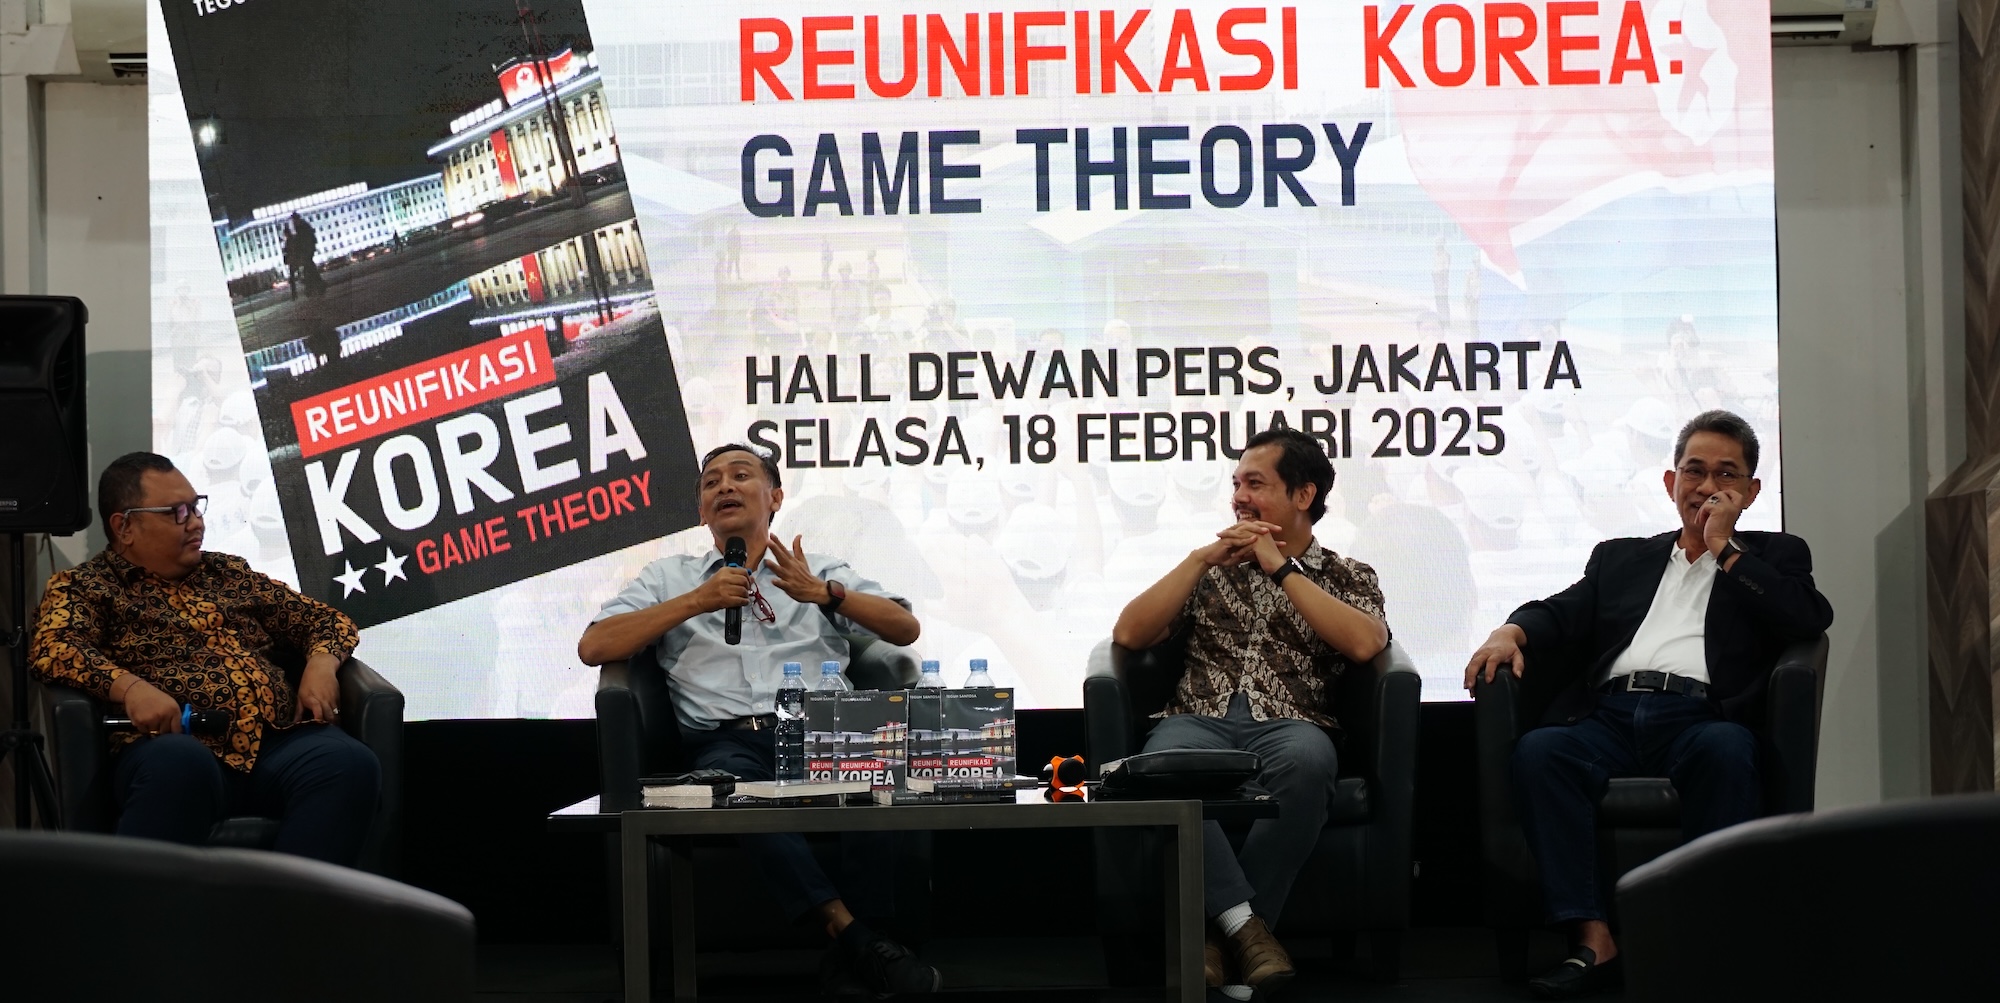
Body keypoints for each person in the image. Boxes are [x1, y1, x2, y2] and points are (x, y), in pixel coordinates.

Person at [1464, 410, 1833, 999]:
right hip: (1610, 715)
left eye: (1726, 474)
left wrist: (1725, 550)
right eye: (1694, 470)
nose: (1707, 486)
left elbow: (1809, 618)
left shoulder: (1776, 555)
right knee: (1542, 753)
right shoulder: (1621, 558)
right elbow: (1561, 611)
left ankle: (1701, 942)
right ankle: (1594, 940)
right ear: (1670, 481)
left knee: (1728, 752)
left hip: (1701, 717)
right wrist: (1509, 631)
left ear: (1751, 491)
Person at [577, 444, 936, 997]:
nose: (724, 486)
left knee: (872, 776)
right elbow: (595, 646)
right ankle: (860, 940)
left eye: (741, 475)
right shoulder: (669, 577)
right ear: (702, 511)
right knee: (738, 797)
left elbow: (904, 629)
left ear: (775, 498)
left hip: (821, 731)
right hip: (727, 745)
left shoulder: (816, 568)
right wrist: (696, 601)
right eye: (711, 482)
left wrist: (825, 595)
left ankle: (858, 951)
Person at [1111, 428, 1391, 999]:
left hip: (1293, 724)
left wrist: (1282, 569)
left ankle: (1213, 946)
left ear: (1303, 495)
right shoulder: (1213, 570)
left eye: (1255, 484)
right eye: (1236, 483)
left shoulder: (1347, 574)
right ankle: (1246, 932)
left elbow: (1366, 643)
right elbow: (1129, 634)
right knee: (1164, 766)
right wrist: (1198, 559)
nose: (1239, 497)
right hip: (1198, 717)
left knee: (1309, 764)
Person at [29, 452, 380, 866]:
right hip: (173, 746)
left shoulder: (228, 574)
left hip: (274, 742)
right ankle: (142, 909)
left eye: (196, 507)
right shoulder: (85, 587)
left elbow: (325, 619)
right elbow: (55, 646)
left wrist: (321, 664)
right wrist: (132, 689)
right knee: (182, 764)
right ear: (124, 527)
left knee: (349, 763)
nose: (196, 522)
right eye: (177, 512)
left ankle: (288, 907)